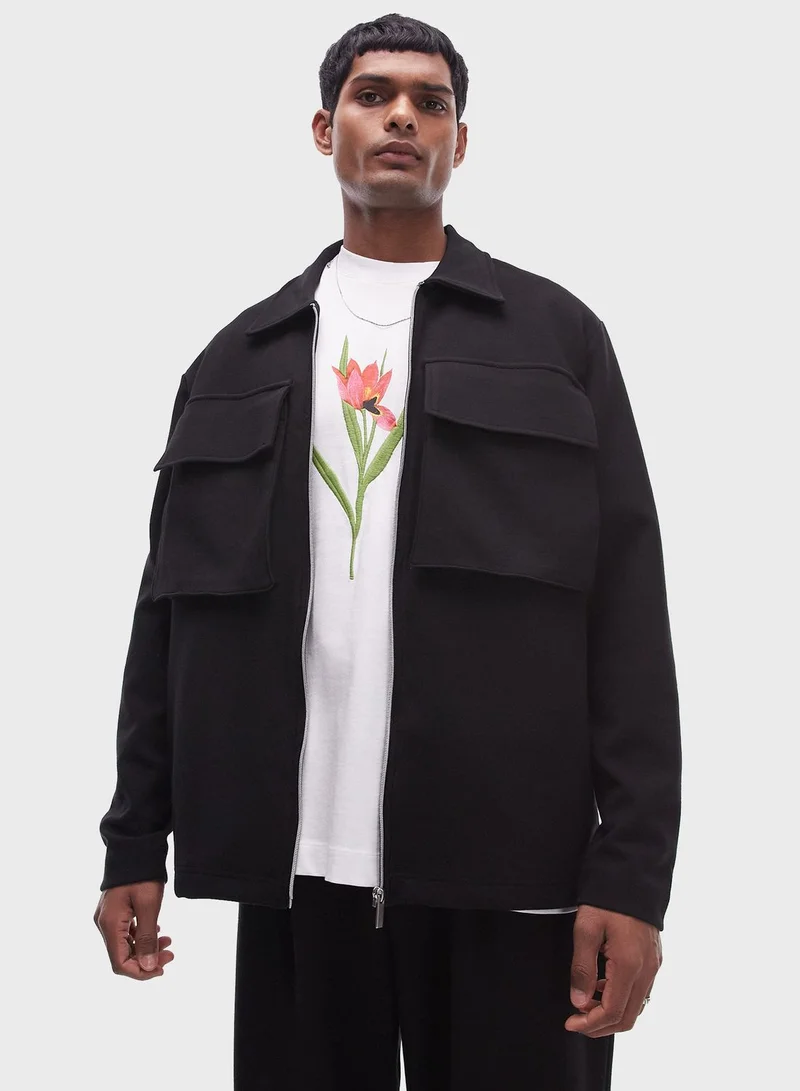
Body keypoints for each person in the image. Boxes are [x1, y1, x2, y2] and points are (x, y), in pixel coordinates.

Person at [93, 13, 682, 1091]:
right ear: (326, 129)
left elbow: (629, 614)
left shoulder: (557, 341)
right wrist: (134, 840)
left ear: (461, 140)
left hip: (515, 874)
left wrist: (633, 876)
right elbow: (166, 615)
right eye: (373, 95)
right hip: (296, 876)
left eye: (431, 101)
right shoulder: (235, 359)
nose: (402, 116)